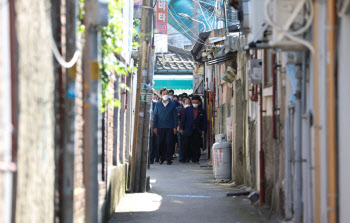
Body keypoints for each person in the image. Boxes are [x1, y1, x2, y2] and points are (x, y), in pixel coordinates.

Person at [153, 88, 178, 165]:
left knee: (169, 142)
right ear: (161, 95)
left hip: (170, 127)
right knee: (160, 142)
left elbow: (175, 116)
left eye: (166, 94)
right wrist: (155, 127)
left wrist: (175, 127)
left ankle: (169, 158)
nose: (165, 95)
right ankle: (162, 157)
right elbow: (155, 116)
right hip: (160, 127)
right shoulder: (157, 105)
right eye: (164, 94)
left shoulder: (173, 105)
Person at [180, 95, 207, 164]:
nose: (195, 103)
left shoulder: (202, 111)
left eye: (196, 102)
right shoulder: (187, 110)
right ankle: (186, 158)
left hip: (197, 130)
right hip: (188, 130)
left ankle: (195, 158)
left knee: (196, 145)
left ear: (199, 102)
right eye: (193, 102)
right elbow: (183, 120)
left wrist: (203, 130)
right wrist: (181, 128)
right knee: (186, 144)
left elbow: (204, 122)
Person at [178, 98, 191, 162]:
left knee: (189, 143)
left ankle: (188, 157)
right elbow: (178, 120)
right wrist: (179, 127)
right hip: (182, 129)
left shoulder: (192, 111)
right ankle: (182, 157)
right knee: (182, 143)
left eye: (188, 103)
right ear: (183, 104)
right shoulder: (181, 111)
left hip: (190, 129)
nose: (187, 105)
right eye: (186, 103)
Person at [150, 93, 159, 164]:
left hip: (154, 126)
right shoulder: (148, 105)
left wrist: (154, 127)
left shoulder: (156, 105)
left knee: (154, 143)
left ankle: (152, 157)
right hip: (148, 126)